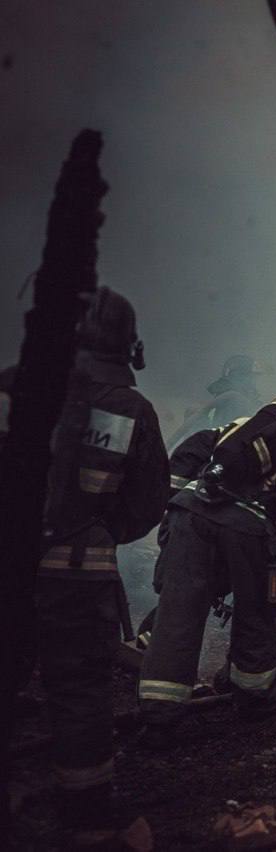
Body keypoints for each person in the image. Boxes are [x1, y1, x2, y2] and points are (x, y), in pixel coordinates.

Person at [0, 287, 169, 836]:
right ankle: (86, 819)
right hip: (79, 577)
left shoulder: (10, 389)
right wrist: (97, 529)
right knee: (79, 692)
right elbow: (146, 505)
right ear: (128, 346)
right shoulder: (131, 410)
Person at [136, 401, 276, 738]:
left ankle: (158, 719)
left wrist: (171, 507)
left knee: (178, 612)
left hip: (187, 513)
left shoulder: (246, 427)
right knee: (257, 614)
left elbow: (188, 453)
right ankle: (254, 701)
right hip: (248, 533)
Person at [168, 355, 263, 447]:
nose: (254, 381)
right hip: (217, 447)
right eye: (252, 376)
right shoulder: (234, 397)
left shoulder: (227, 392)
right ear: (243, 374)